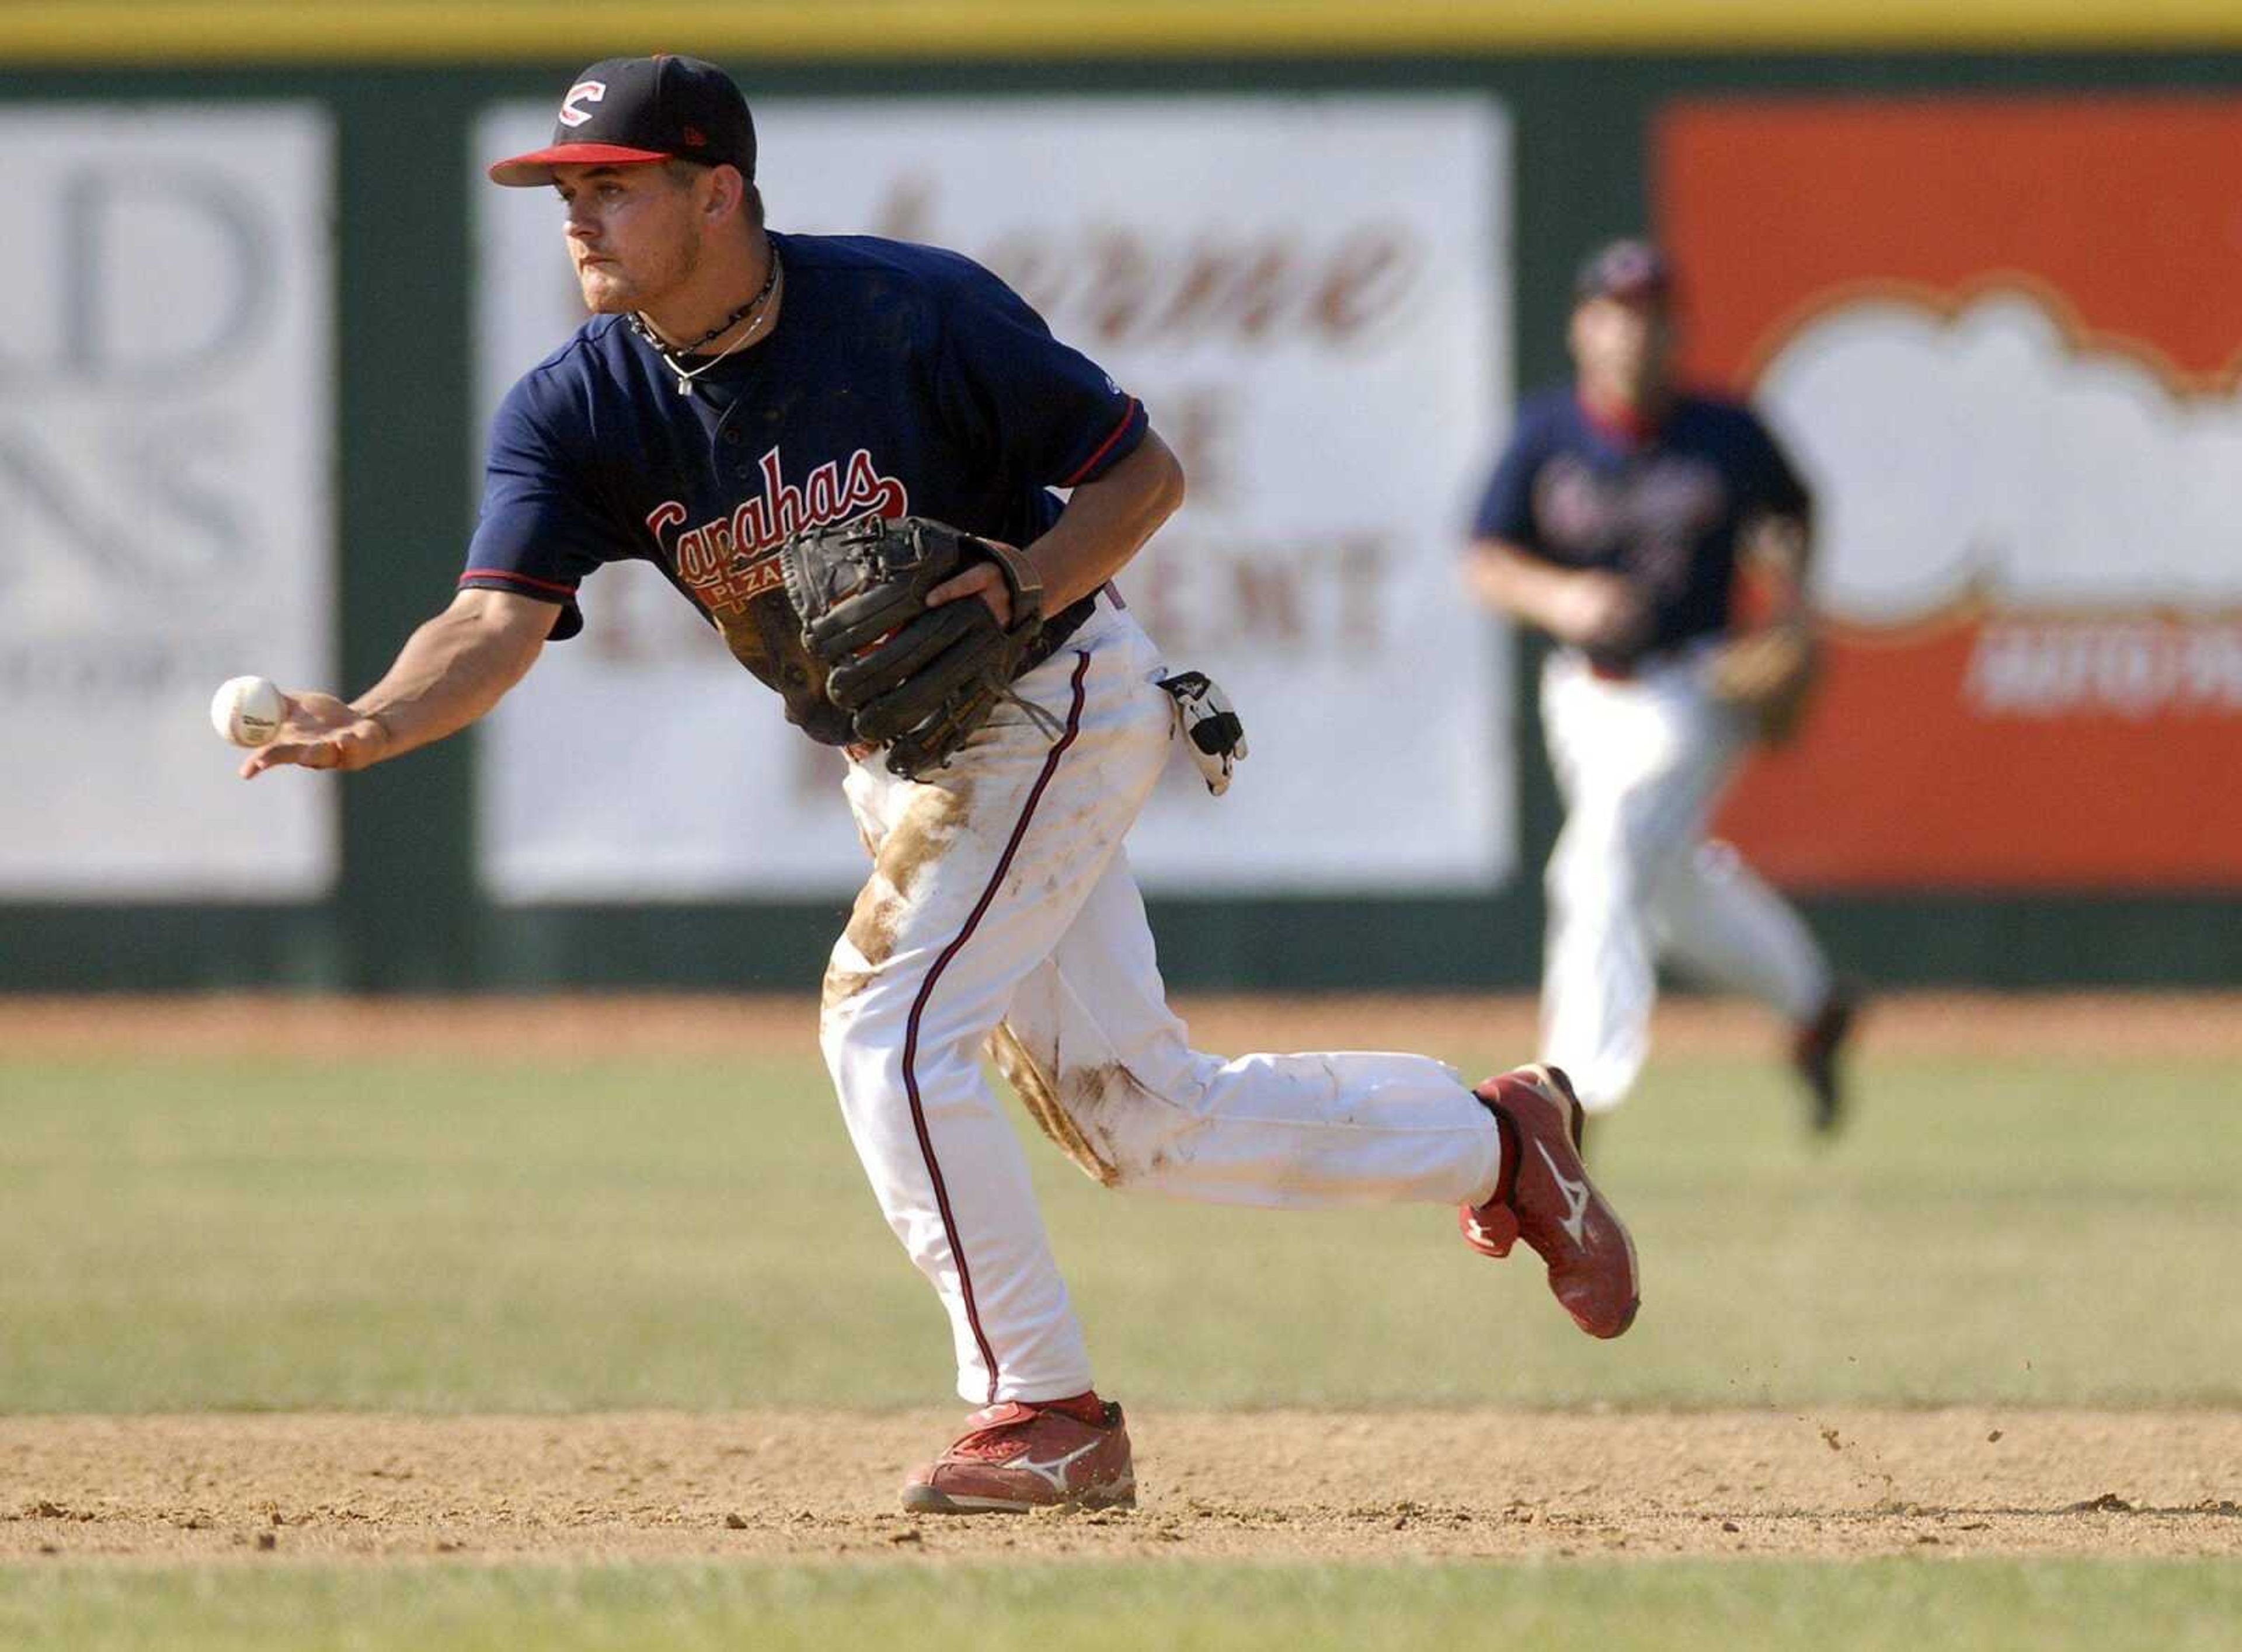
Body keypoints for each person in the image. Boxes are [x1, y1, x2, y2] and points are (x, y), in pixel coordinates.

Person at [239, 55, 1641, 1515]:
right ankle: (1499, 1141)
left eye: (614, 187)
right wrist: (382, 719)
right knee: (1141, 1112)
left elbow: (1141, 478)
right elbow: (490, 619)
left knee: (884, 1023)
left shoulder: (911, 311)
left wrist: (1019, 582)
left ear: (718, 192)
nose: (578, 218)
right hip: (899, 754)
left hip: (1056, 694)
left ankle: (1044, 1405)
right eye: (565, 192)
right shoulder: (579, 404)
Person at [1464, 238, 1857, 1141]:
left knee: (1599, 859)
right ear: (1581, 326)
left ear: (1676, 330)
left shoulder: (1726, 432)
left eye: (1651, 315)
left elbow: (1796, 513)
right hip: (1584, 691)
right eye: (1616, 312)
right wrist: (1561, 594)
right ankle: (1813, 999)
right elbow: (1483, 558)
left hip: (1697, 687)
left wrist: (1793, 615)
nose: (1633, 332)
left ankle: (1572, 1093)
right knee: (1666, 884)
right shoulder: (1548, 433)